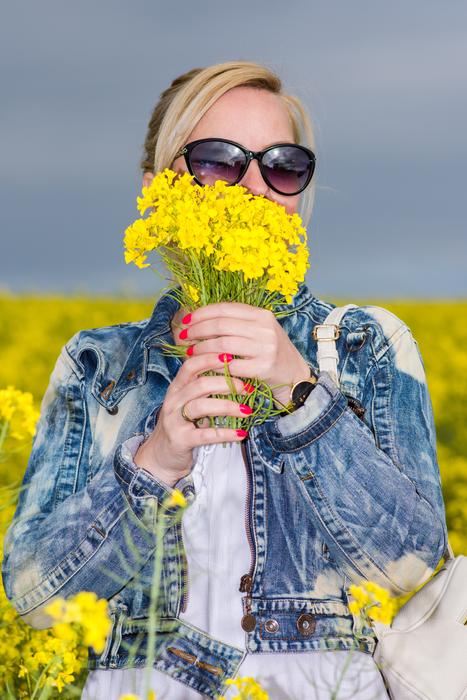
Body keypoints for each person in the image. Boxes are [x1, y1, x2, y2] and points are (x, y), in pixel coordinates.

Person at [2, 61, 448, 700]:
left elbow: (408, 568)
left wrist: (300, 394)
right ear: (157, 189)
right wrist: (154, 461)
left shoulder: (362, 346)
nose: (255, 186)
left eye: (283, 163)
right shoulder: (100, 365)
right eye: (218, 159)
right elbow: (36, 600)